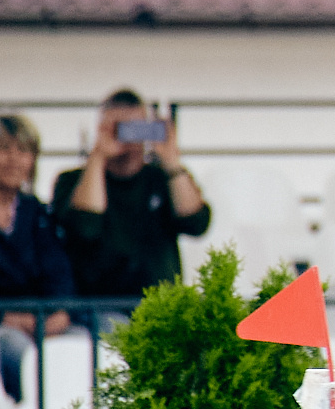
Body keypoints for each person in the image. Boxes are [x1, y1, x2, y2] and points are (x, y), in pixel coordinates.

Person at [48, 90, 212, 298]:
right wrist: (98, 156)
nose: (130, 136)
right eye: (120, 128)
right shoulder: (73, 181)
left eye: (138, 127)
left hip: (158, 305)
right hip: (98, 308)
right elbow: (84, 226)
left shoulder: (162, 179)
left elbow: (196, 223)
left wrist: (171, 160)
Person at [0, 115, 74, 399]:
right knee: (20, 353)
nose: (14, 159)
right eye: (3, 149)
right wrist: (7, 317)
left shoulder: (34, 212)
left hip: (36, 319)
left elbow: (58, 270)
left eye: (23, 151)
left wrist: (58, 312)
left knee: (80, 346)